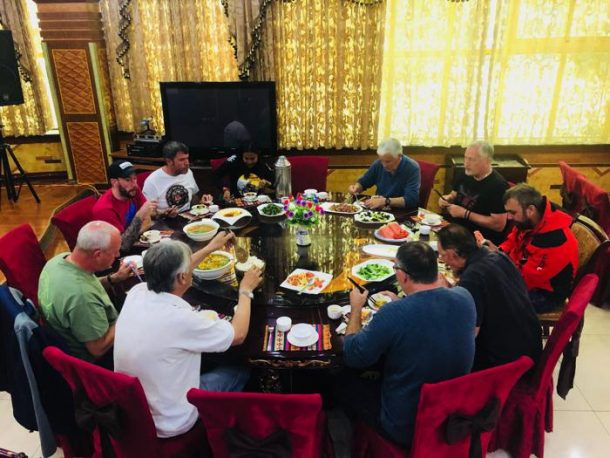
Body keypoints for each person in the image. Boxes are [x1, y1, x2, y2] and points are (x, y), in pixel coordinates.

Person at [114, 235, 262, 438]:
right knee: (242, 368)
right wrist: (246, 290)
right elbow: (238, 335)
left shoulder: (137, 292)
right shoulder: (180, 320)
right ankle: (230, 428)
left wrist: (211, 247)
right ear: (183, 278)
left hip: (135, 408)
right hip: (172, 420)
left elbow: (177, 270)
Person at [337, 241, 476, 448]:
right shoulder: (464, 297)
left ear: (402, 275)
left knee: (343, 380)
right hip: (453, 412)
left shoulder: (394, 314)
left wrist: (356, 308)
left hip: (406, 425)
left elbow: (353, 355)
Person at [437, 224, 542, 371]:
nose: (442, 260)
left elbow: (470, 334)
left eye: (441, 255)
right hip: (529, 345)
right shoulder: (497, 256)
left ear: (453, 254)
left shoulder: (472, 278)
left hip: (507, 364)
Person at [38, 221, 134, 363]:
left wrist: (114, 278)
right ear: (98, 254)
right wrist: (130, 313)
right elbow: (98, 349)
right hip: (100, 358)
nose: (118, 255)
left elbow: (88, 284)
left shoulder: (59, 260)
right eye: (115, 253)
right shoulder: (81, 297)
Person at [485, 184, 579, 313]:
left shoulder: (554, 239)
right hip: (523, 275)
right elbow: (512, 241)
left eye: (512, 212)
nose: (509, 217)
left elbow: (528, 280)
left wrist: (497, 270)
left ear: (530, 209)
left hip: (545, 294)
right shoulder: (528, 221)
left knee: (488, 301)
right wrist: (498, 251)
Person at [438, 141, 508, 245]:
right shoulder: (465, 173)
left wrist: (465, 214)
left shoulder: (498, 185)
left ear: (487, 161)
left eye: (472, 159)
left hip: (478, 238)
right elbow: (454, 195)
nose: (466, 163)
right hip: (456, 229)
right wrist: (446, 199)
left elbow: (498, 225)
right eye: (465, 158)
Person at [92, 159, 157, 251]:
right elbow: (122, 246)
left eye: (135, 178)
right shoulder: (105, 209)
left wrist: (164, 212)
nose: (134, 184)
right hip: (112, 253)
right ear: (114, 182)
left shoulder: (132, 190)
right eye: (128, 180)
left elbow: (148, 218)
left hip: (135, 242)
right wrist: (140, 216)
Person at [348, 138, 420, 210]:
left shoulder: (412, 168)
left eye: (388, 161)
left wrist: (386, 201)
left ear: (399, 156)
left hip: (401, 213)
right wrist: (356, 188)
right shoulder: (378, 164)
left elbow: (411, 200)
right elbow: (363, 183)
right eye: (381, 160)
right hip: (380, 211)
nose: (384, 165)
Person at [142, 141, 210, 216]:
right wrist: (163, 213)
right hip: (164, 222)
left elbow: (193, 197)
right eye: (182, 160)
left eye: (187, 158)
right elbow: (146, 213)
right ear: (169, 161)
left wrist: (201, 203)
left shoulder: (188, 173)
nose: (187, 163)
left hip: (187, 217)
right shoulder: (152, 181)